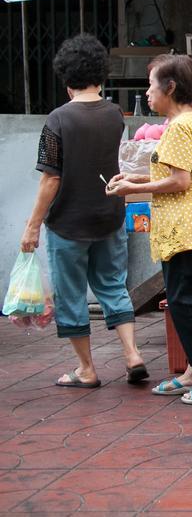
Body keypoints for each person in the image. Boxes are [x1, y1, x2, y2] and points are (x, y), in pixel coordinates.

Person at [108, 54, 192, 404]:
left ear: (169, 87)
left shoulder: (180, 125)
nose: (147, 94)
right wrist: (136, 177)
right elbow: (181, 173)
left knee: (184, 301)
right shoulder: (188, 120)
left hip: (184, 228)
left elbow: (180, 181)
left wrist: (131, 190)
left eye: (151, 86)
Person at [21, 34, 147, 389]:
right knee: (113, 286)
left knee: (71, 294)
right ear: (101, 75)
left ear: (66, 79)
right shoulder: (113, 115)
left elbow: (50, 179)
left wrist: (32, 226)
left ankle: (86, 369)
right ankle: (132, 354)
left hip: (68, 223)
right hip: (109, 216)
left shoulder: (57, 120)